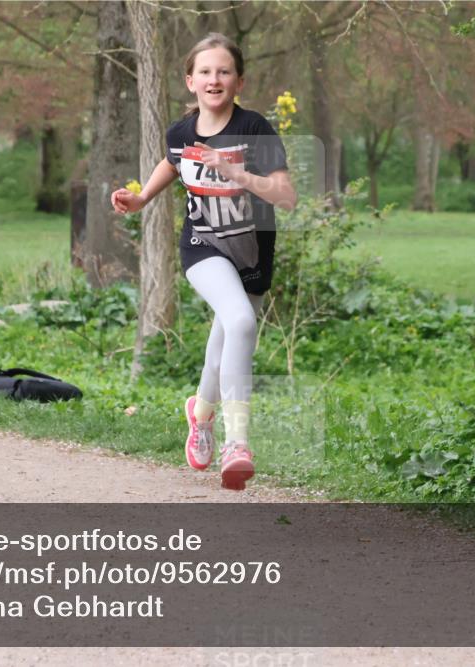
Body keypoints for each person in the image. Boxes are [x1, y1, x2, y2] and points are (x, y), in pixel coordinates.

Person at [111, 33, 296, 490]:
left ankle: (201, 412)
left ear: (239, 81)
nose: (215, 79)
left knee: (225, 339)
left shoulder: (255, 130)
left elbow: (286, 196)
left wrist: (234, 171)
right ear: (190, 81)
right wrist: (142, 200)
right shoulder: (181, 131)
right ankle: (238, 442)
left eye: (224, 71)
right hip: (204, 249)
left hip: (252, 252)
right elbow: (171, 162)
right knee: (240, 322)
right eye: (206, 72)